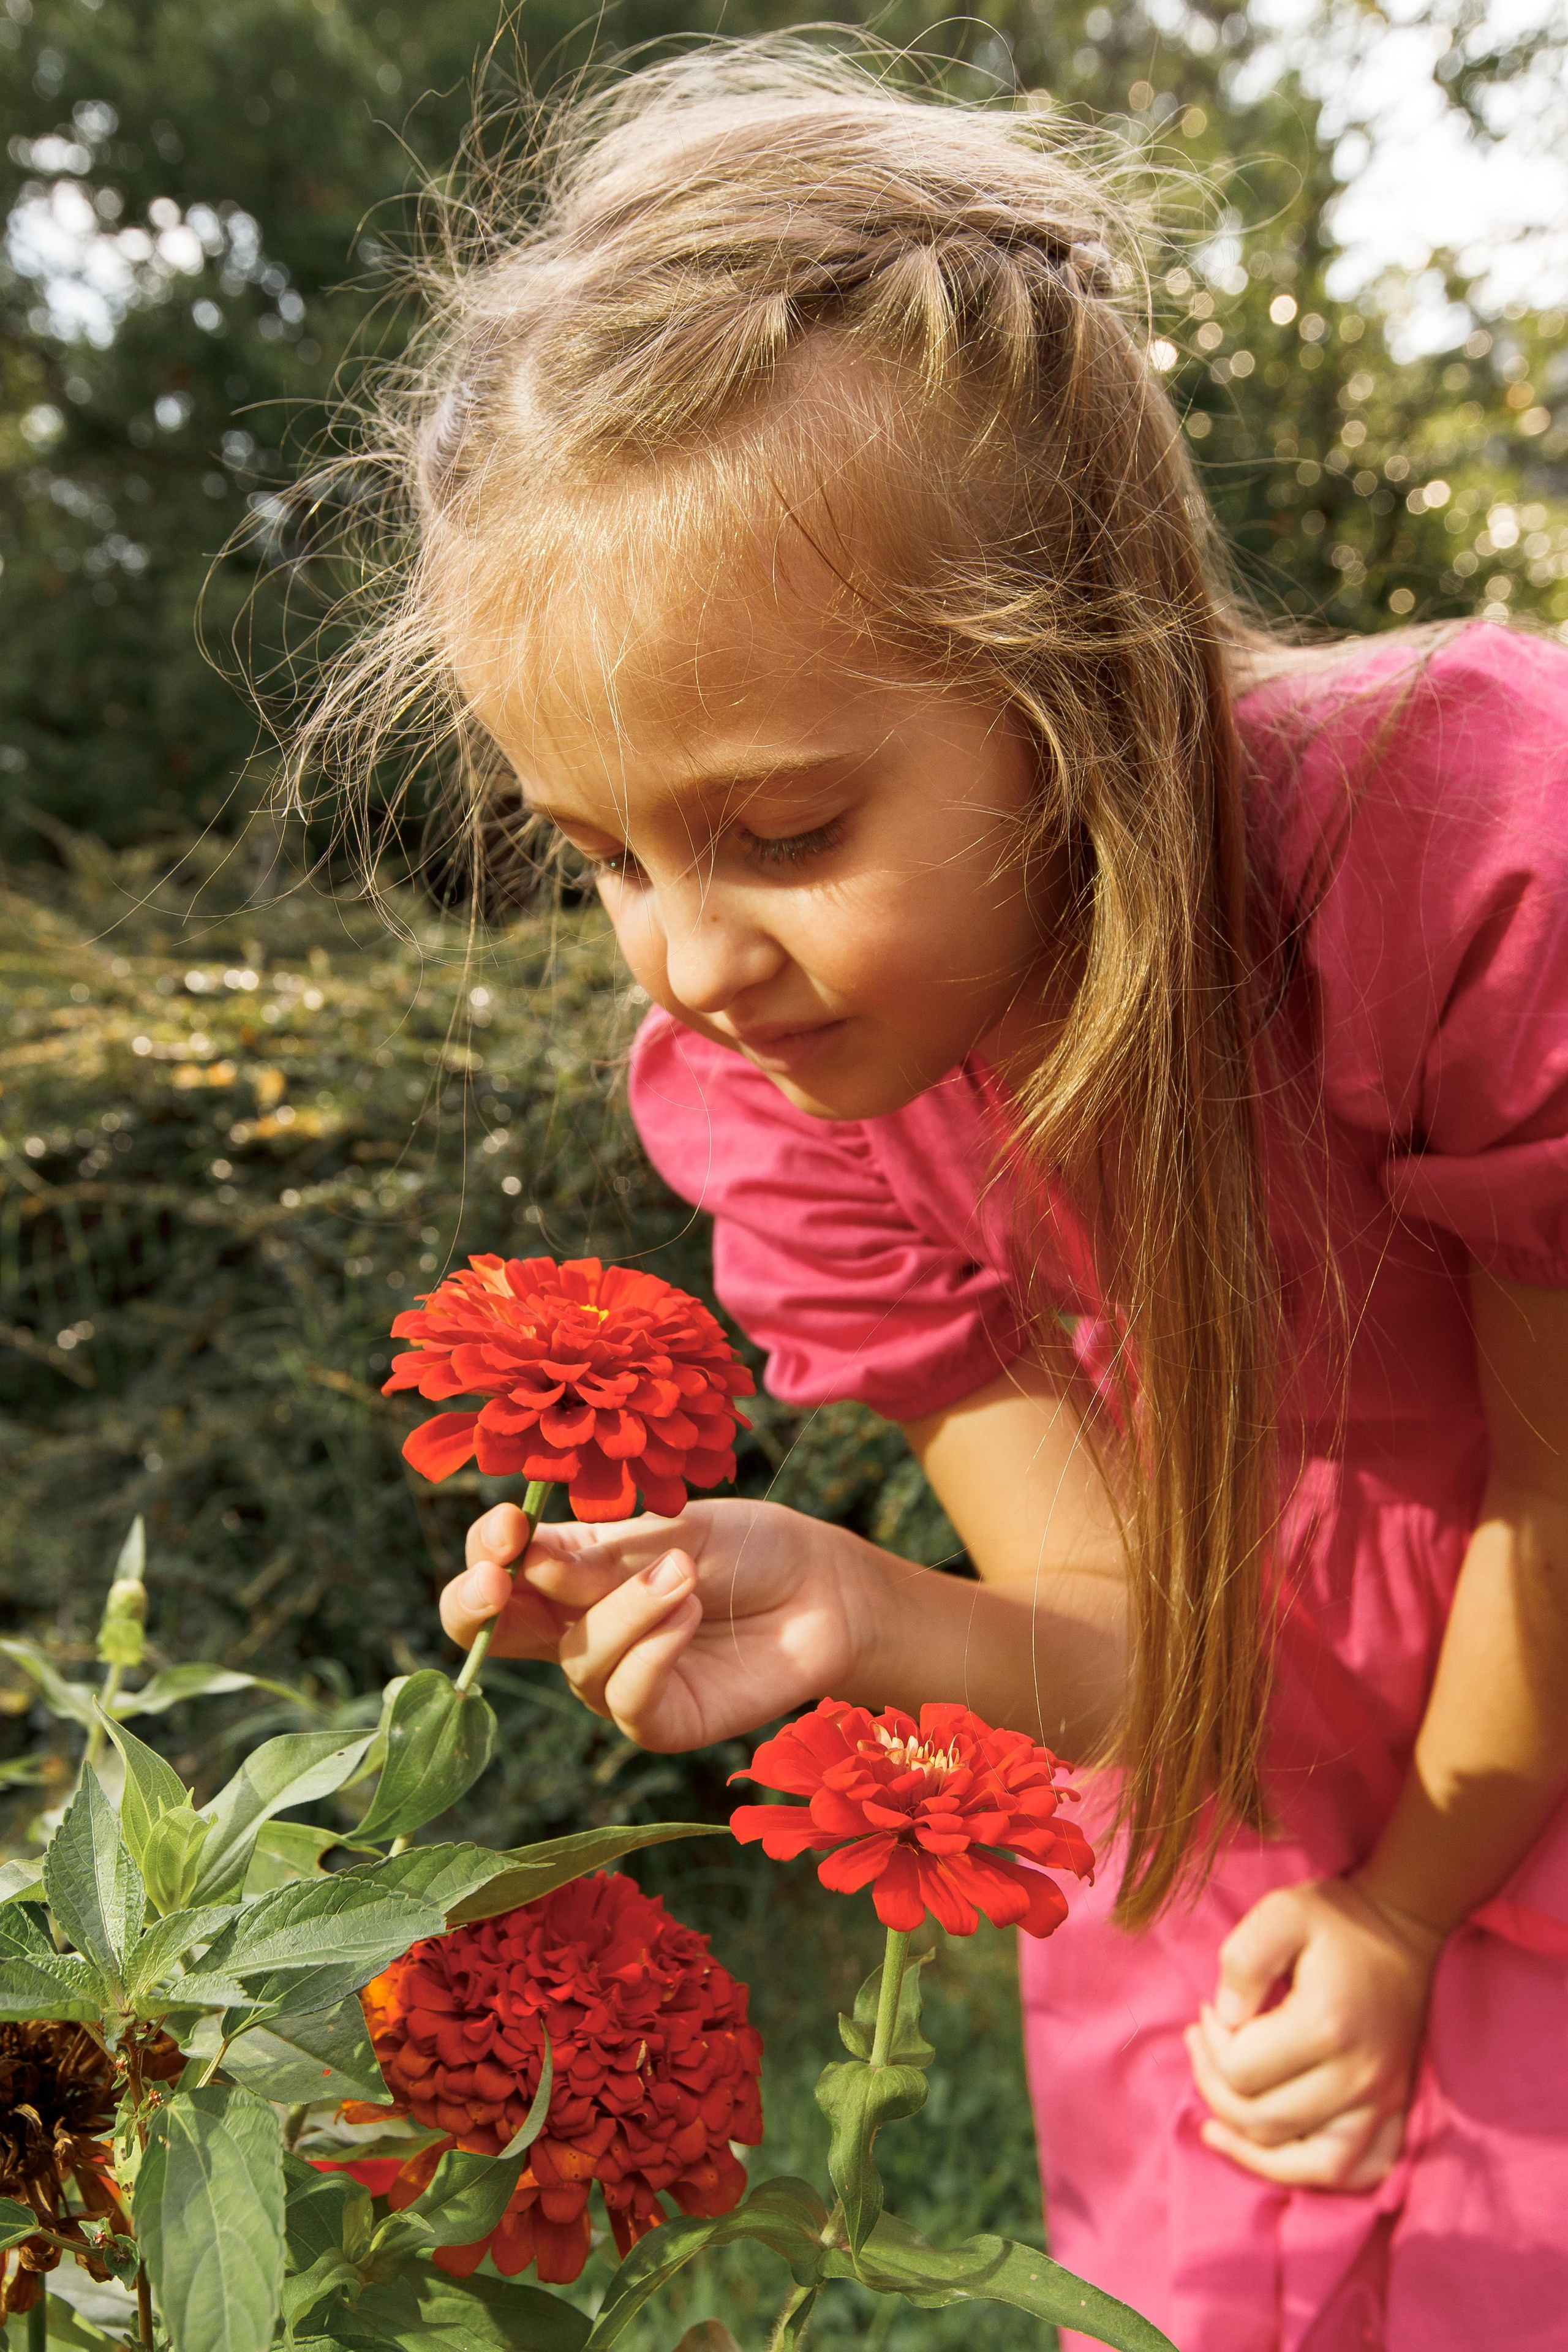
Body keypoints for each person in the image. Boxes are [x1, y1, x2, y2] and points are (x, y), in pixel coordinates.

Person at [295, 42, 1568, 2351]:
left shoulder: (1465, 863)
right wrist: (864, 1611)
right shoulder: (784, 1092)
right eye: (604, 859)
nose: (684, 958)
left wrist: (1400, 1913)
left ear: (1075, 683)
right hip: (1220, 1802)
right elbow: (1104, 1625)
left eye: (781, 834)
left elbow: (1558, 1512)